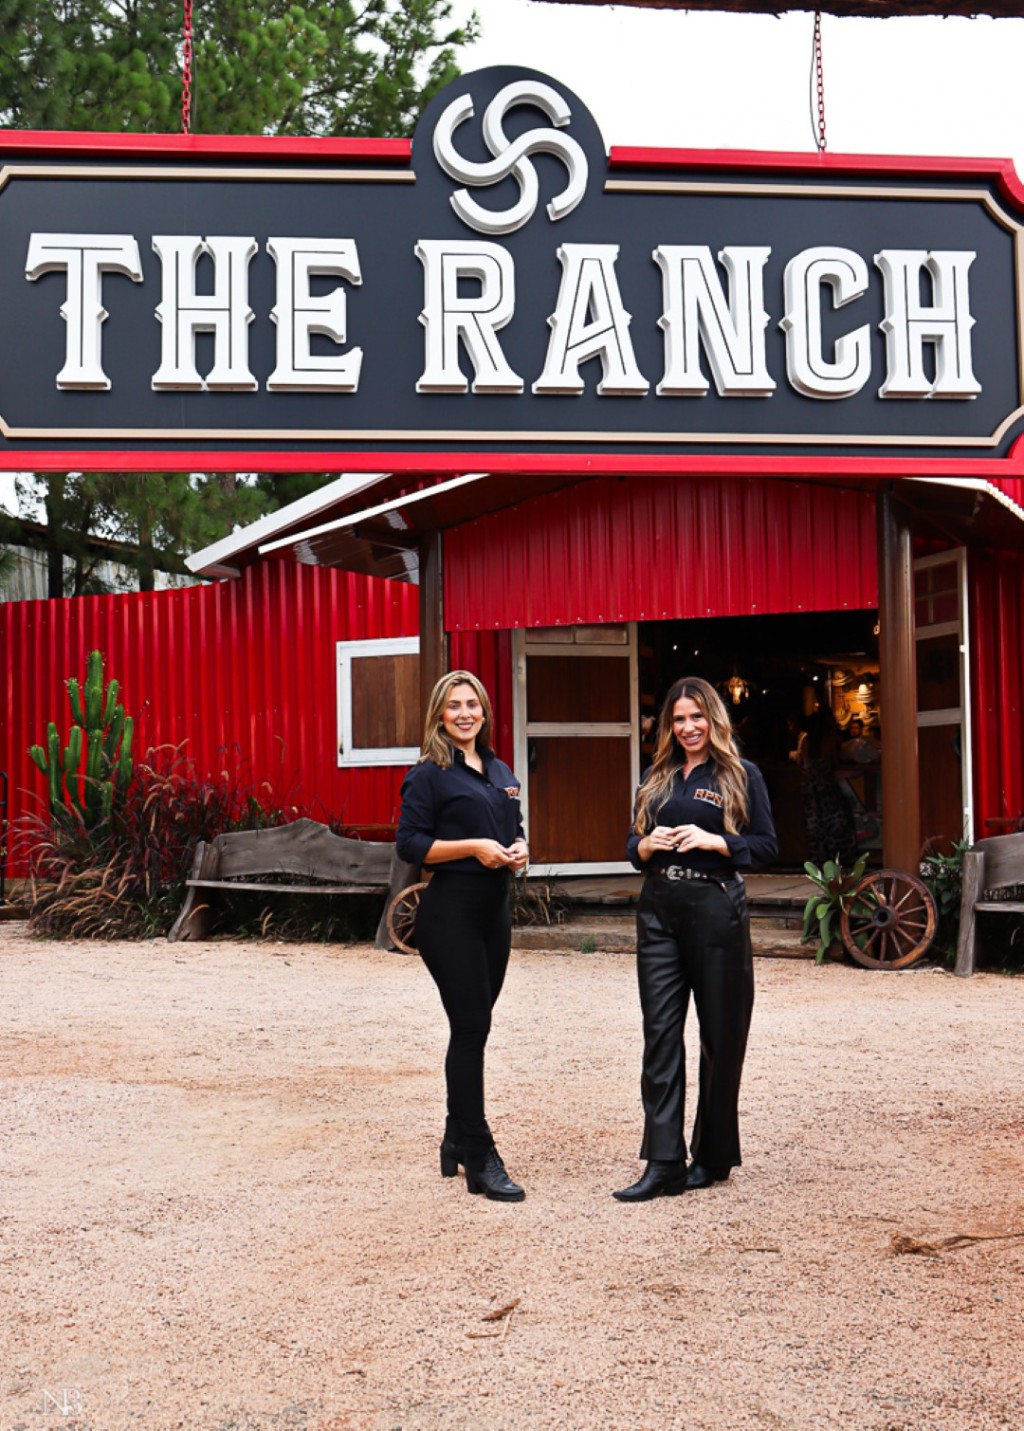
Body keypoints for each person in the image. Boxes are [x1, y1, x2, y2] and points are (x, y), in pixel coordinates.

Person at [614, 676, 778, 1202]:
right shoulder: (656, 776)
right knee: (660, 1033)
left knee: (721, 1036)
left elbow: (767, 846)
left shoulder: (740, 774)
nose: (688, 727)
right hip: (659, 908)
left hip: (715, 906)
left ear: (713, 718)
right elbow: (632, 844)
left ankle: (712, 1155)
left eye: (696, 717)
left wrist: (717, 841)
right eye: (679, 719)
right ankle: (663, 1161)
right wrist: (645, 845)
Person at [396, 670, 530, 1202]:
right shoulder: (429, 774)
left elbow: (514, 828)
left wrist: (519, 849)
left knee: (475, 1026)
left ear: (484, 711)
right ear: (439, 714)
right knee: (471, 1026)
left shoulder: (500, 770)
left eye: (472, 704)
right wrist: (473, 846)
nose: (465, 713)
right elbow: (411, 844)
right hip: (449, 914)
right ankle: (479, 1153)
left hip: (493, 913)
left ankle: (455, 1136)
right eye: (454, 705)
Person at [798, 707, 859, 867]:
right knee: (837, 823)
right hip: (826, 785)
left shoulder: (806, 740)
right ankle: (837, 860)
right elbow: (834, 763)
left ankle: (819, 860)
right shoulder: (830, 740)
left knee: (815, 826)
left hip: (810, 787)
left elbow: (803, 762)